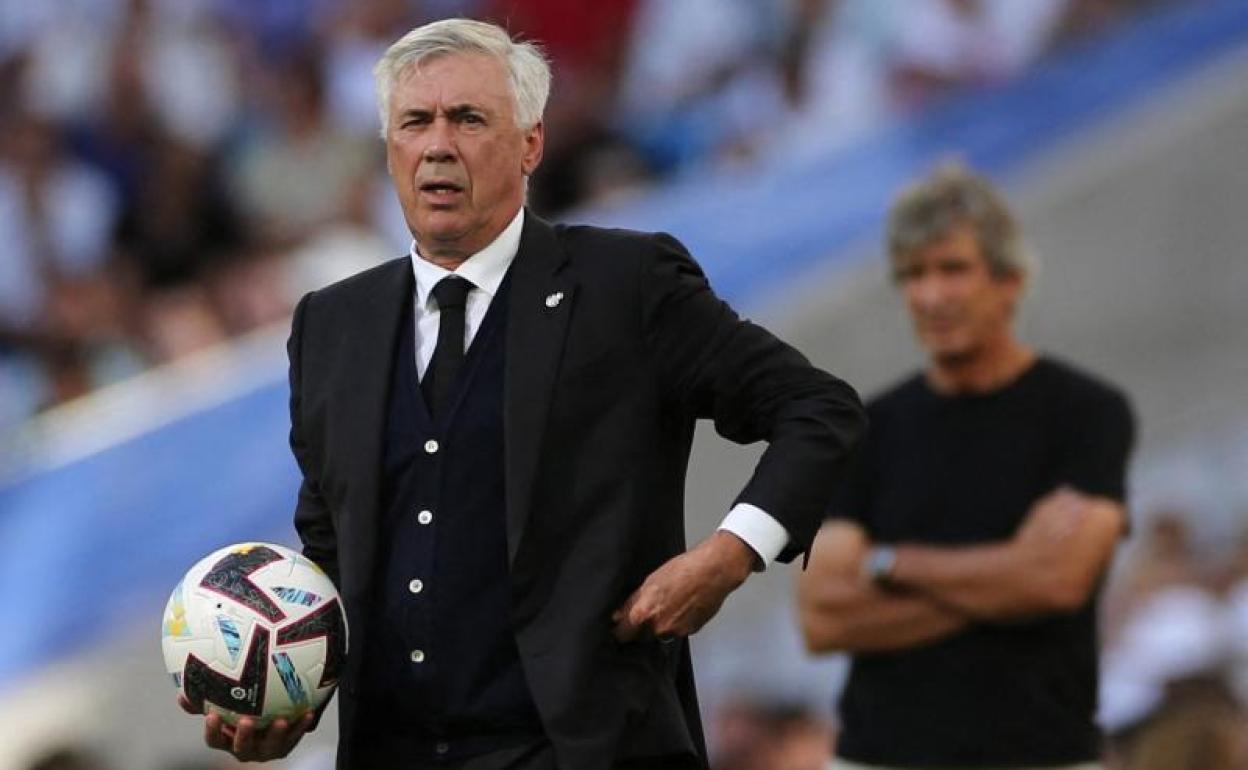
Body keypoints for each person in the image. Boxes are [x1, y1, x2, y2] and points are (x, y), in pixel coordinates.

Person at [181, 18, 866, 770]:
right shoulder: (330, 325)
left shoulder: (623, 285)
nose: (438, 145)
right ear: (389, 150)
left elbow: (817, 407)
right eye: (415, 122)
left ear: (531, 144)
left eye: (468, 119)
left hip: (582, 750)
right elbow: (335, 550)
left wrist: (730, 554)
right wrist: (293, 692)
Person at [798, 164, 1134, 770]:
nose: (930, 296)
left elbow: (1059, 583)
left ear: (1010, 280)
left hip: (1042, 755)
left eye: (952, 269)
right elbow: (821, 618)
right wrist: (1011, 576)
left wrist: (889, 564)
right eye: (913, 275)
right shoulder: (868, 429)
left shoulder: (1086, 413)